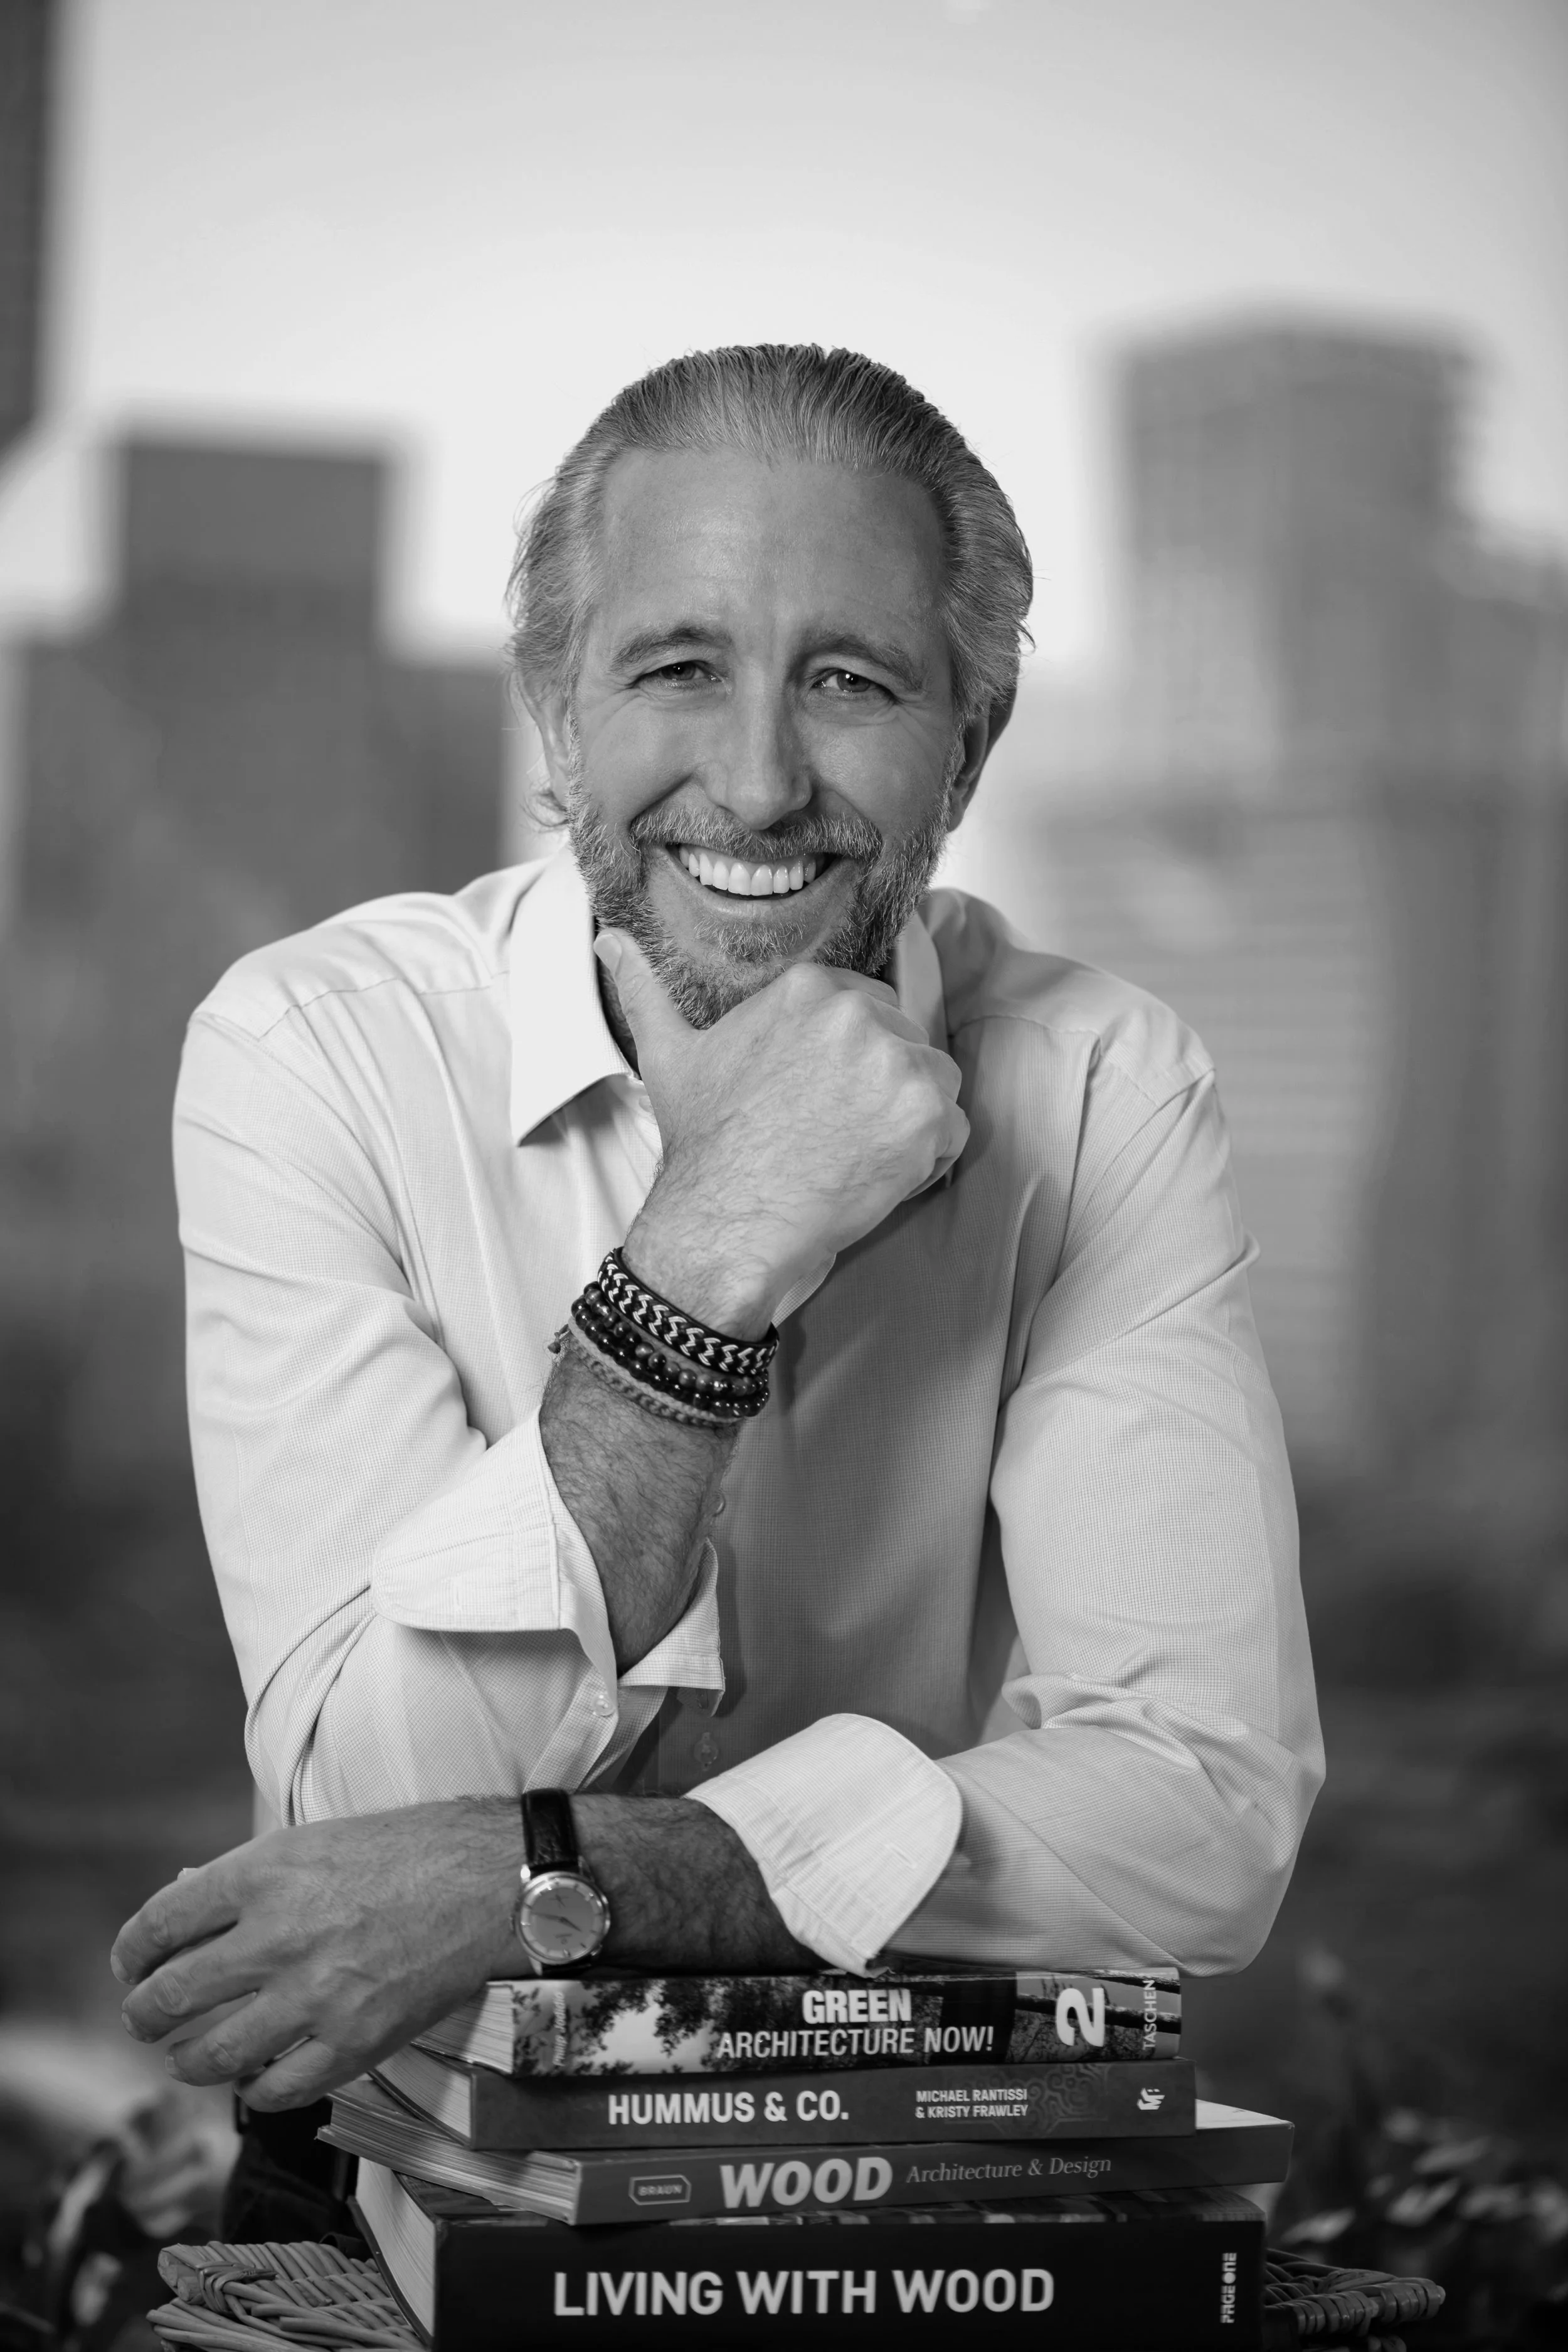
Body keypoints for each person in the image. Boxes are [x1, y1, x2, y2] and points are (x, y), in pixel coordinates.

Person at [112, 346, 1321, 2187]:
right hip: (413, 2153)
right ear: (553, 712)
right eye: (676, 668)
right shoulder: (313, 1048)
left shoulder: (1098, 1084)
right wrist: (707, 1249)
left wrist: (575, 1874)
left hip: (905, 2146)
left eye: (849, 681)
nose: (756, 784)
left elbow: (1199, 1814)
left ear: (972, 741)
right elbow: (373, 1805)